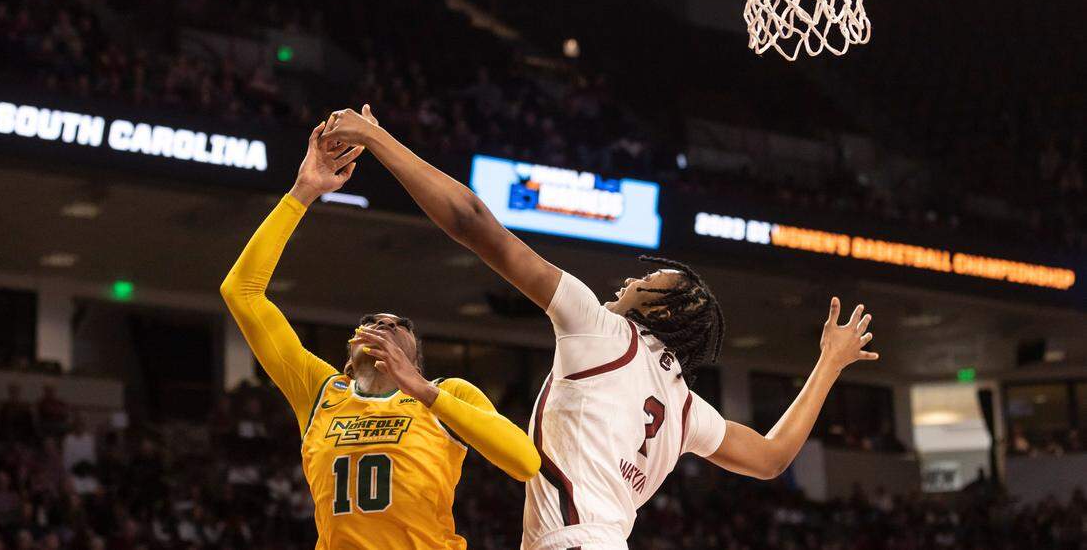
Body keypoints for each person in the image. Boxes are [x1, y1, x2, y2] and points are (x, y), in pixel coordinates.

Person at [324, 105, 882, 550]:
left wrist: (379, 140)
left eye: (649, 281)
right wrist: (829, 364)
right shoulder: (685, 409)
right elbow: (769, 458)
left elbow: (475, 223)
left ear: (663, 311)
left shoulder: (599, 330)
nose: (627, 284)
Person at [219, 121, 540, 550]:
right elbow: (241, 293)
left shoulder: (447, 394)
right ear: (349, 359)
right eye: (371, 322)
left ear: (415, 360)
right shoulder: (320, 390)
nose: (384, 324)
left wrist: (424, 391)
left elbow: (524, 462)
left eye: (398, 325)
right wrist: (302, 193)